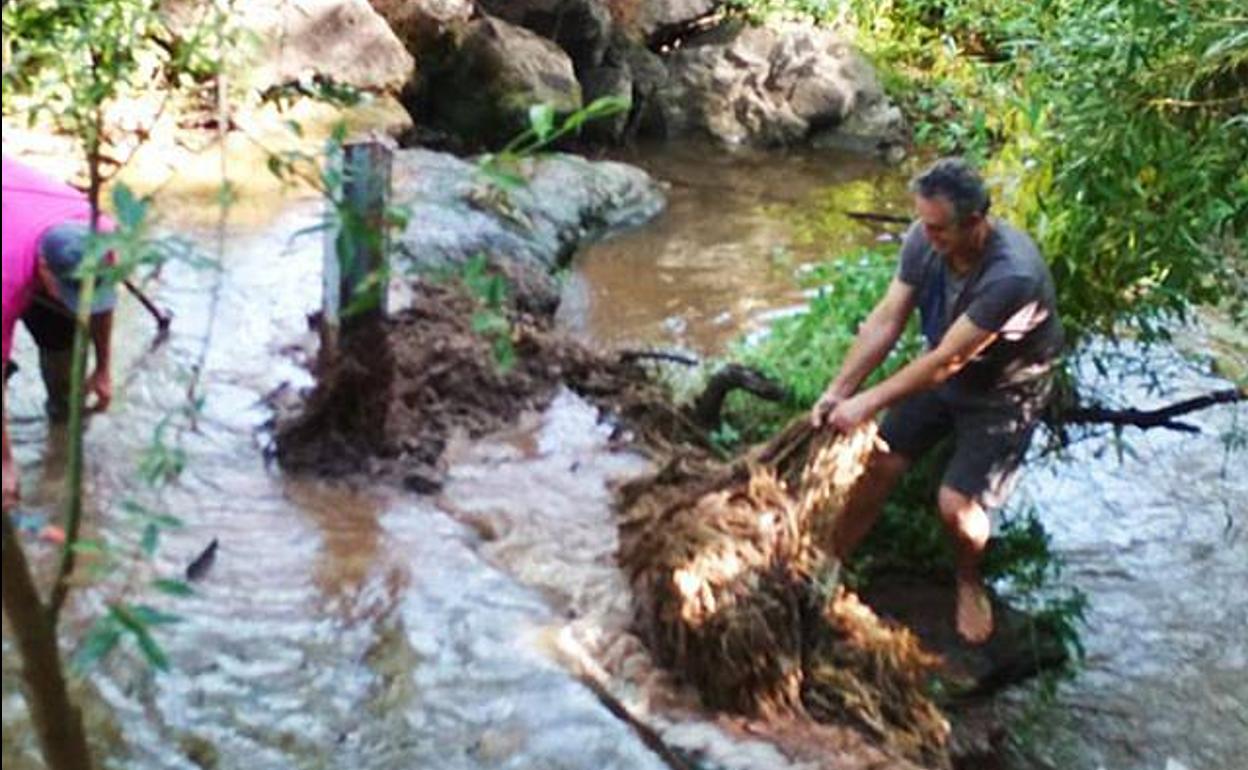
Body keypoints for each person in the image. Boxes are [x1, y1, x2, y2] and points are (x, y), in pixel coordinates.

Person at [810, 157, 1062, 644]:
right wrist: (840, 389)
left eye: (939, 228)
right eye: (923, 223)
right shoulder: (924, 238)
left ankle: (969, 580)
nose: (928, 236)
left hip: (1005, 393)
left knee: (955, 504)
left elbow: (949, 358)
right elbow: (888, 318)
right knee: (879, 461)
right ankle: (829, 563)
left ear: (975, 222)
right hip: (945, 373)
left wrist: (868, 403)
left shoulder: (1013, 276)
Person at [2, 154, 118, 512]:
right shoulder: (8, 277)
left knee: (64, 351)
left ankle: (62, 419)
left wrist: (102, 369)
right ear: (43, 269)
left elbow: (102, 306)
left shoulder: (101, 235)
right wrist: (5, 463)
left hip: (23, 210)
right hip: (12, 247)